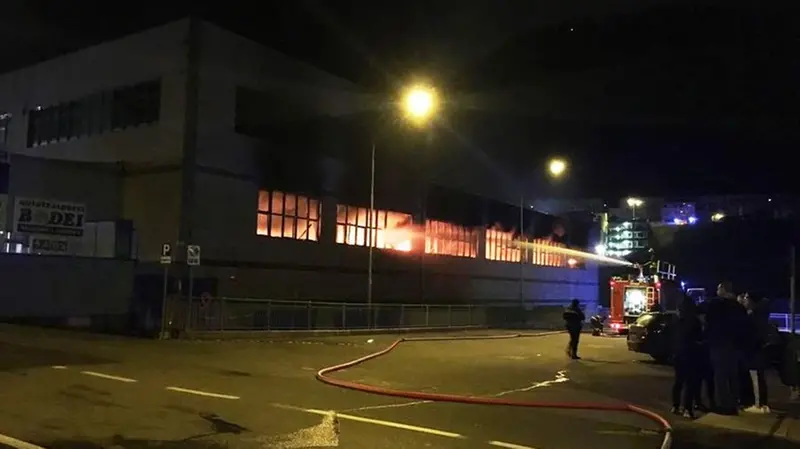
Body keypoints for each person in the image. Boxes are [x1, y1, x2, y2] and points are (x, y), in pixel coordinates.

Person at [699, 281, 749, 415]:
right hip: (735, 346)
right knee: (733, 375)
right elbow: (744, 327)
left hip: (719, 344)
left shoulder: (715, 304)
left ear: (723, 289)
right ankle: (735, 402)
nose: (717, 291)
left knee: (720, 376)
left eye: (718, 288)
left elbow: (700, 312)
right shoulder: (739, 307)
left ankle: (724, 405)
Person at [671, 295, 704, 418]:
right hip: (691, 354)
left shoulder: (677, 321)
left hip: (678, 354)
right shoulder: (694, 321)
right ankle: (687, 409)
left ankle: (675, 406)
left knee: (678, 382)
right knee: (690, 383)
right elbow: (699, 338)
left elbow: (673, 338)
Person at [741, 293, 771, 413]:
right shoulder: (759, 315)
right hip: (756, 350)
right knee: (758, 377)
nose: (744, 300)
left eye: (747, 298)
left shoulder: (755, 316)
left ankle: (759, 405)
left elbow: (753, 334)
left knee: (756, 377)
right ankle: (761, 404)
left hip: (754, 351)